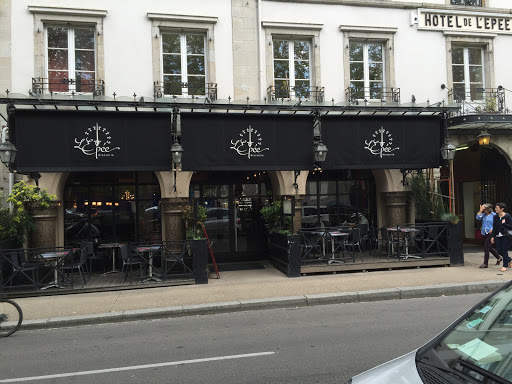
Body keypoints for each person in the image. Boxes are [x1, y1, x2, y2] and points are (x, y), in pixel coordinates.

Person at [476, 203, 502, 268]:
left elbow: (498, 224)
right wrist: (480, 210)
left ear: (488, 209)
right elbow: (477, 218)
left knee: (486, 248)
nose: (484, 211)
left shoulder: (494, 215)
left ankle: (485, 263)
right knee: (489, 247)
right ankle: (498, 257)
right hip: (484, 233)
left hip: (491, 233)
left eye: (484, 209)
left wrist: (493, 229)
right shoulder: (483, 215)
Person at [491, 202, 512, 272]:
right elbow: (494, 227)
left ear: (502, 209)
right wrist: (493, 236)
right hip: (498, 236)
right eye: (495, 208)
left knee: (504, 250)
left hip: (506, 236)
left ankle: (504, 266)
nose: (495, 209)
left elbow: (511, 226)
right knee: (499, 250)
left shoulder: (507, 216)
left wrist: (504, 224)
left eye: (497, 208)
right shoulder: (495, 217)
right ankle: (510, 260)